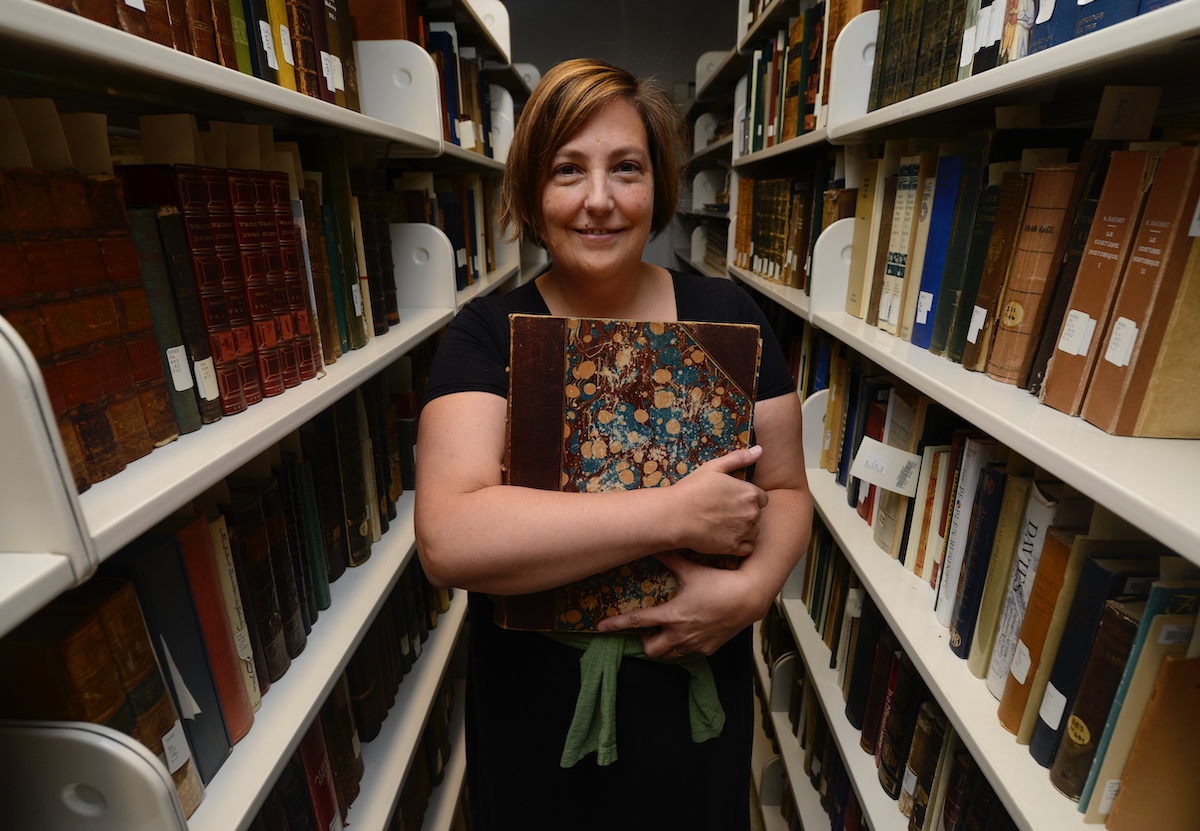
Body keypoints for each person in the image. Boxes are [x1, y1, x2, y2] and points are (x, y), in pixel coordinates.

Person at [414, 58, 812, 830]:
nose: (599, 200)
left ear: (658, 185)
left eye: (625, 169)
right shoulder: (485, 335)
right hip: (537, 704)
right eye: (569, 170)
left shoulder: (729, 316)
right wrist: (673, 514)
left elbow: (789, 489)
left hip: (695, 692)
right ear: (534, 189)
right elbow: (449, 537)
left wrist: (753, 589)